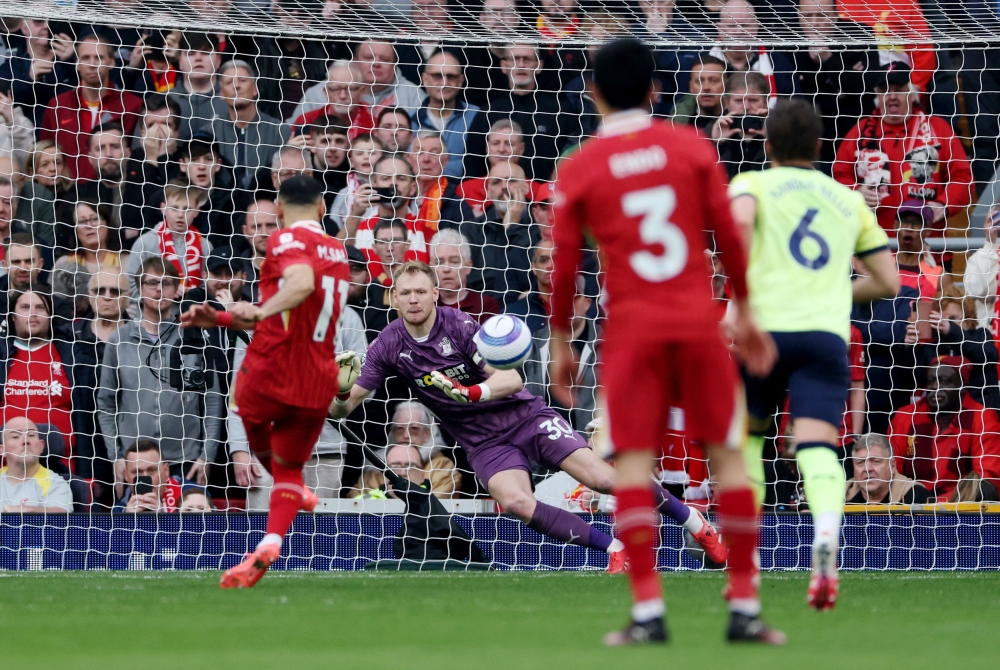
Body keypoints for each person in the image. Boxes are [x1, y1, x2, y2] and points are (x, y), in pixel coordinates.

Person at [548, 39, 779, 645]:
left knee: (632, 463)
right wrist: (746, 309)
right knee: (727, 454)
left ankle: (649, 611)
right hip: (697, 319)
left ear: (592, 93)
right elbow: (728, 235)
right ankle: (746, 605)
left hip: (631, 328)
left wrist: (560, 342)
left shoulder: (580, 166)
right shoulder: (691, 146)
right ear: (657, 90)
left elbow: (566, 266)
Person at [331, 262, 725, 597]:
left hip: (525, 419)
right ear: (394, 298)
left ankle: (695, 523)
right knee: (516, 502)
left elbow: (512, 380)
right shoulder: (387, 344)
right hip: (483, 442)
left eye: (420, 291)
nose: (413, 299)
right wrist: (341, 388)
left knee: (603, 478)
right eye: (405, 292)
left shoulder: (461, 326)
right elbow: (344, 409)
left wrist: (471, 392)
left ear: (436, 294)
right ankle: (615, 549)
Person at [727, 99, 899, 611]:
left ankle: (746, 564)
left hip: (766, 330)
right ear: (821, 147)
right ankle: (826, 535)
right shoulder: (847, 199)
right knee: (819, 446)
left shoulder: (752, 185)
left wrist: (739, 306)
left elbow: (737, 230)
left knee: (749, 442)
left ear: (768, 145)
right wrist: (829, 293)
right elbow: (888, 281)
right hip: (825, 337)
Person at [181, 175, 352, 588]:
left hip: (273, 367)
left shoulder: (283, 241)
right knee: (291, 473)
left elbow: (300, 284)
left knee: (240, 401)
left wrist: (256, 313)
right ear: (322, 209)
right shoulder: (339, 250)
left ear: (278, 210)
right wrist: (223, 317)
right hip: (319, 379)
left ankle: (282, 483)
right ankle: (273, 538)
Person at [97, 258, 223, 488]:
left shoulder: (195, 338)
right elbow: (105, 404)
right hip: (135, 463)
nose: (158, 290)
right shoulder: (119, 340)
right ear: (139, 288)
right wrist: (116, 457)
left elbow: (213, 401)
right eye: (152, 283)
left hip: (186, 461)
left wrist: (207, 456)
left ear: (176, 289)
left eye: (166, 283)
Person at [833, 63, 974, 233]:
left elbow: (963, 177)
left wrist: (943, 204)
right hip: (874, 247)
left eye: (898, 89)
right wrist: (856, 193)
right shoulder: (860, 132)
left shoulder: (938, 129)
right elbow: (838, 177)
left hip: (928, 247)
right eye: (885, 90)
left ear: (911, 94)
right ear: (877, 96)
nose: (892, 96)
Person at [888, 358, 1000, 501]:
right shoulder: (905, 416)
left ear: (962, 386)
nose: (935, 387)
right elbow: (891, 470)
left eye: (945, 381)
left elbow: (987, 479)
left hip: (961, 507)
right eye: (930, 381)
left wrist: (939, 504)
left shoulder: (982, 418)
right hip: (910, 504)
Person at [39, 34, 143, 180]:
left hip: (114, 191)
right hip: (66, 195)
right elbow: (44, 152)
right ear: (77, 63)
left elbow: (138, 156)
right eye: (86, 58)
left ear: (112, 62)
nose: (92, 64)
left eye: (99, 58)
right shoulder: (57, 105)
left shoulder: (132, 105)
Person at [210, 60, 290, 191]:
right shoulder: (211, 132)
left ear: (255, 89)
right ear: (222, 94)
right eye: (229, 82)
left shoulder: (280, 131)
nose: (236, 86)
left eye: (242, 80)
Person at [126, 179, 212, 299]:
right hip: (154, 314)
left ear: (197, 211)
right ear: (163, 208)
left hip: (193, 312)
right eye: (174, 208)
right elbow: (131, 286)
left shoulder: (205, 246)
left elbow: (209, 286)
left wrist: (193, 294)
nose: (180, 215)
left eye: (187, 209)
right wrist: (165, 293)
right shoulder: (145, 243)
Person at [414, 50, 489, 181]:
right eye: (437, 76)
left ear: (460, 81)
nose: (444, 82)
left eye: (451, 77)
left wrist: (429, 167)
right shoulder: (410, 120)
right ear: (425, 79)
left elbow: (479, 165)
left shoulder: (478, 117)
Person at [0, 416, 73, 513]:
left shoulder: (55, 483)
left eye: (31, 435)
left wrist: (20, 511)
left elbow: (61, 517)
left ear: (41, 446)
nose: (25, 441)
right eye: (15, 436)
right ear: (2, 449)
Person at [430, 228, 500, 323]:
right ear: (431, 268)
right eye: (439, 262)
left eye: (454, 262)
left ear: (468, 266)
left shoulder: (486, 306)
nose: (446, 269)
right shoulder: (425, 306)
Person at [167, 32, 229, 140]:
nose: (198, 58)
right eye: (190, 53)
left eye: (205, 52)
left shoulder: (233, 101)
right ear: (179, 62)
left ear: (218, 60)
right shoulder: (164, 101)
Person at [846, 433, 931, 504]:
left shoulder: (918, 498)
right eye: (860, 462)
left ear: (892, 466)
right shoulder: (840, 496)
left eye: (876, 461)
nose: (867, 469)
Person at [114, 440, 186, 513]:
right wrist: (128, 520)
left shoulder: (190, 493)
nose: (145, 477)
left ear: (166, 470)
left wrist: (163, 518)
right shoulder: (118, 512)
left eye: (152, 471)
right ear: (126, 475)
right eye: (137, 472)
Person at [667, 53, 726, 132]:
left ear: (726, 84)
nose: (706, 87)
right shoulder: (676, 124)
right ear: (691, 87)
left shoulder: (739, 119)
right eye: (699, 81)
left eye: (713, 81)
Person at [240, 198, 279, 302]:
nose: (264, 233)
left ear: (282, 227)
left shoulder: (297, 269)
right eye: (256, 227)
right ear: (245, 231)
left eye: (271, 225)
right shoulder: (235, 275)